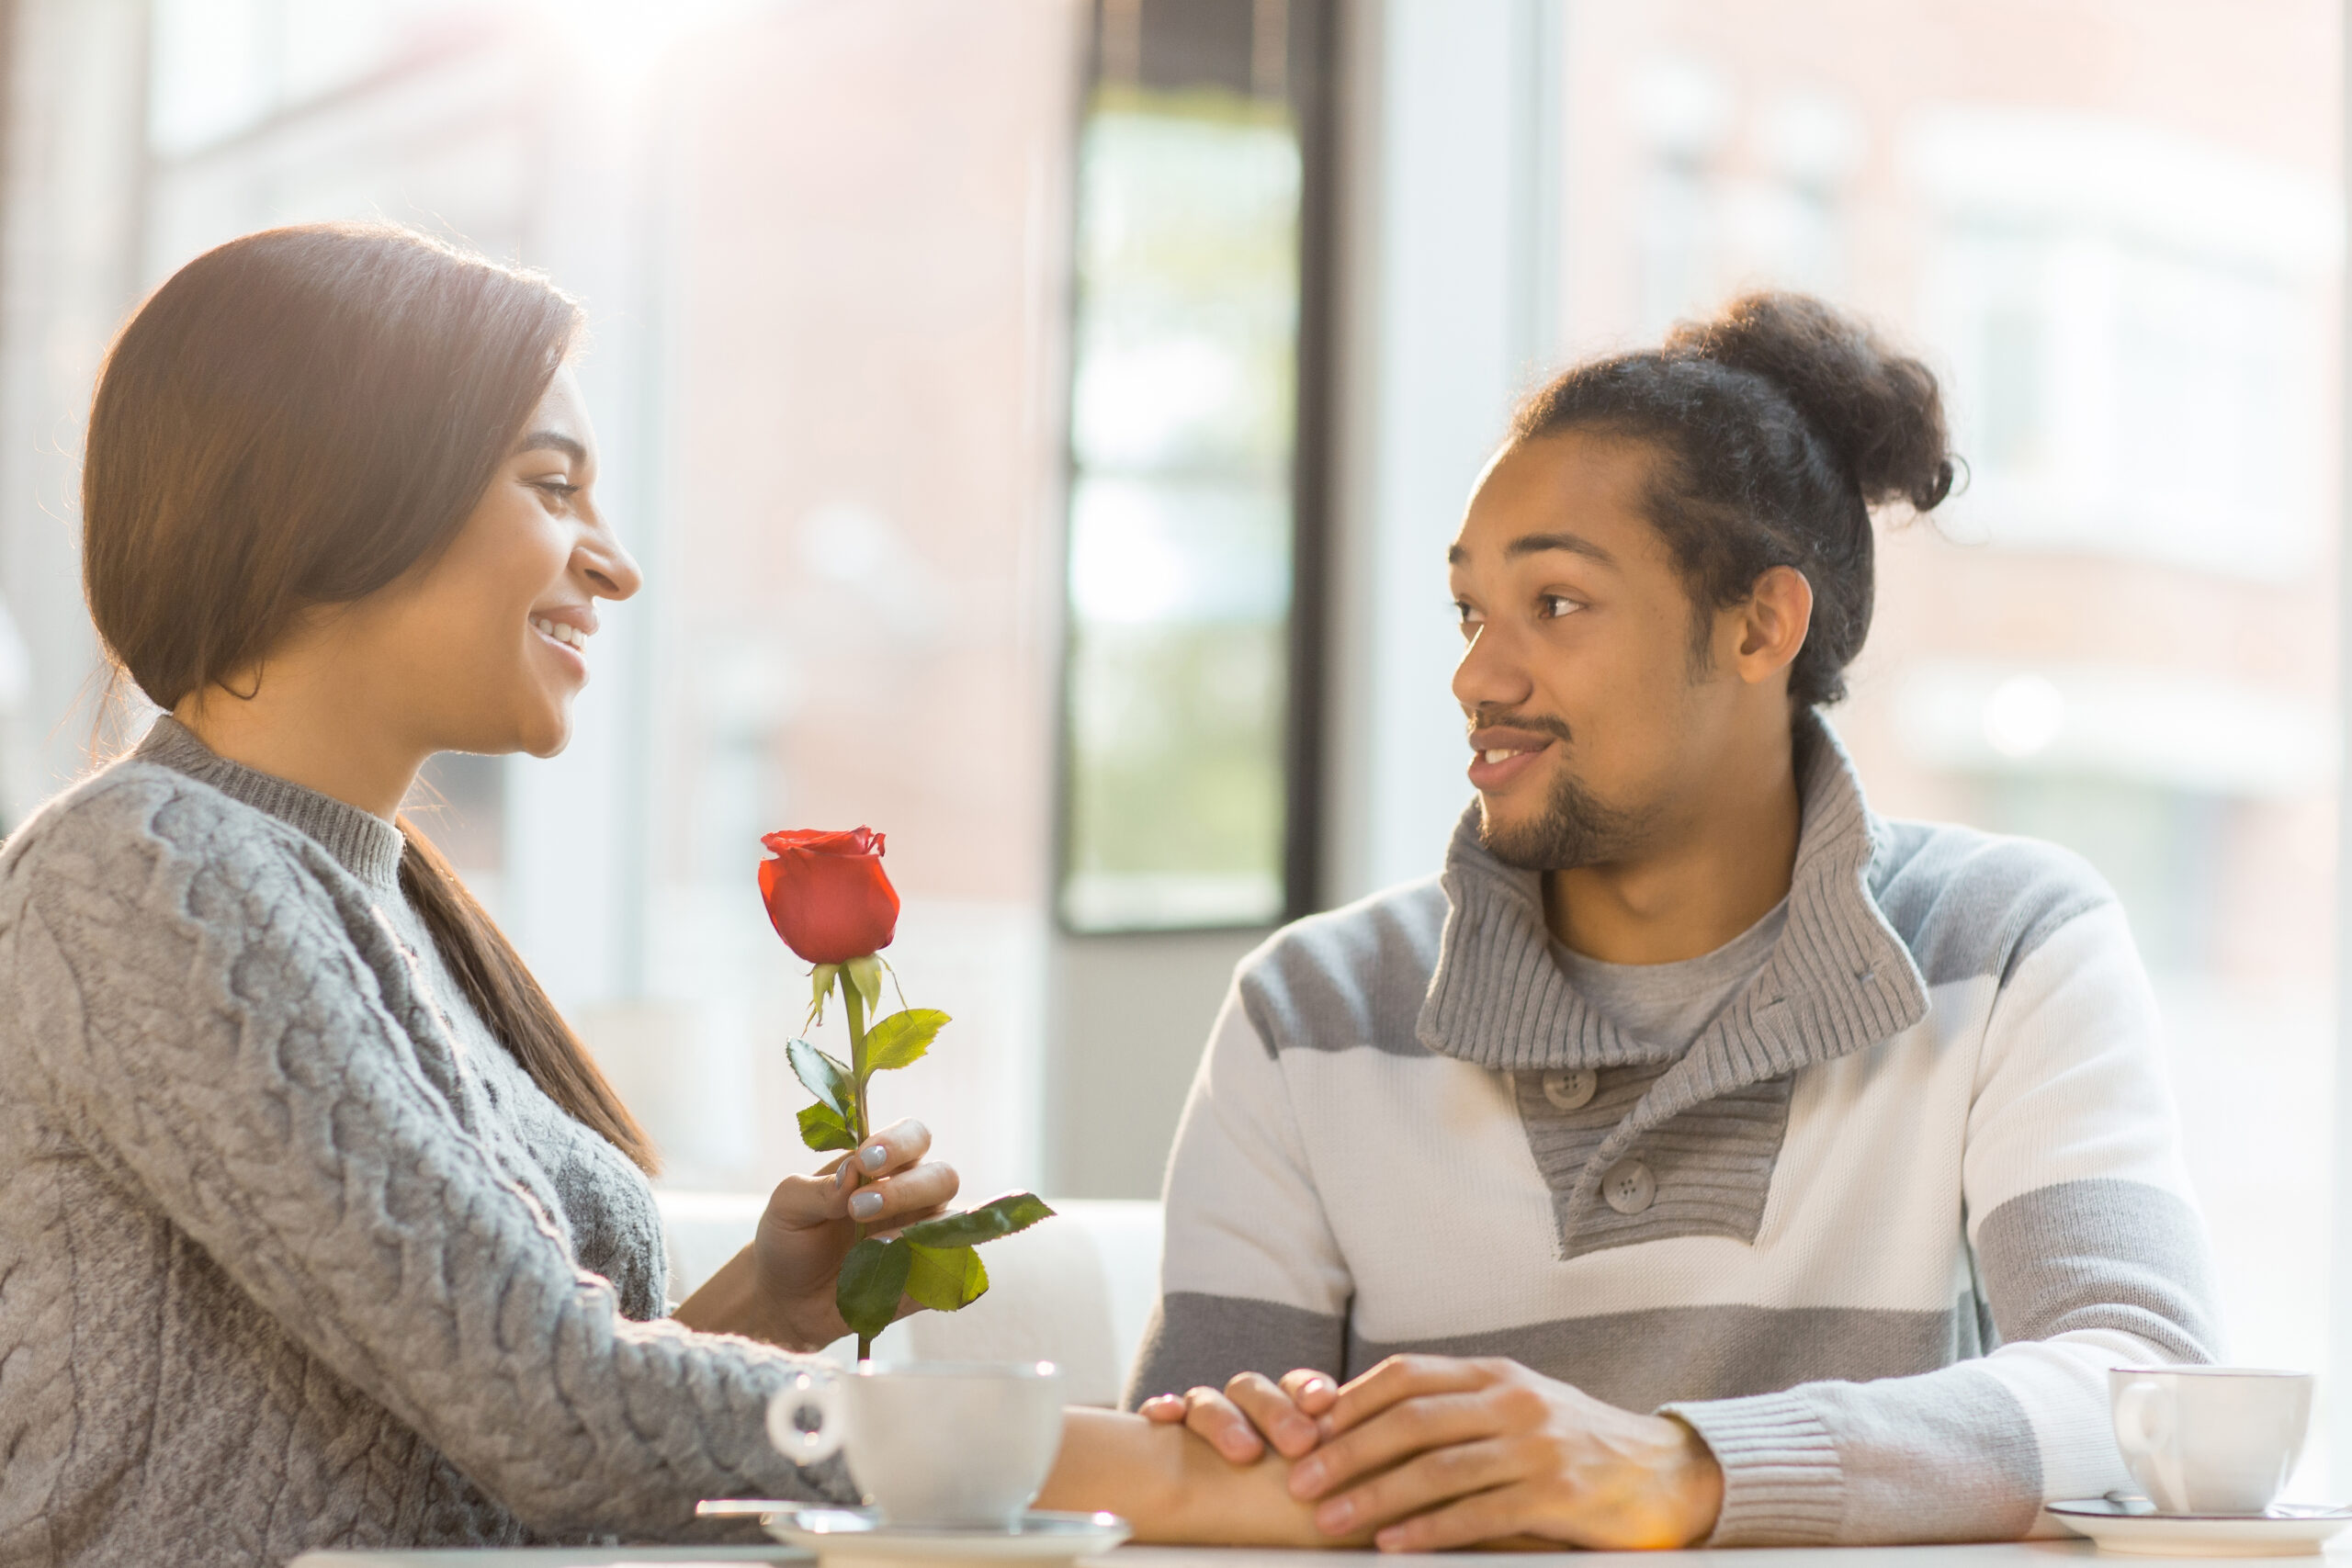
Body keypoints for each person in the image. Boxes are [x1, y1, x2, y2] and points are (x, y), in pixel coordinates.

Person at [0, 223, 1332, 1568]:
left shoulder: (394, 911)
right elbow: (548, 1410)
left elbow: (507, 1432)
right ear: (333, 489)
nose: (612, 562)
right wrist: (1164, 1476)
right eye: (553, 486)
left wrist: (764, 1299)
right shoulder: (143, 870)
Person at [1133, 292, 2219, 1551]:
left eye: (1555, 604)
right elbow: (1180, 1495)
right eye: (1471, 611)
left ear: (1761, 624)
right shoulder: (1309, 1011)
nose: (1477, 676)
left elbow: (2151, 1397)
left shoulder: (2009, 942)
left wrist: (1682, 1469)